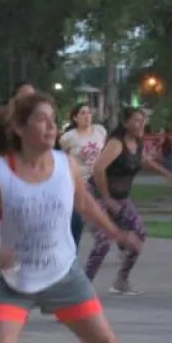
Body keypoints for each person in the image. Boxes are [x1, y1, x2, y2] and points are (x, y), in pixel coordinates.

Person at [0, 93, 141, 343]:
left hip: (63, 275)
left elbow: (84, 202)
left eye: (53, 120)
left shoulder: (66, 164)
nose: (51, 127)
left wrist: (115, 232)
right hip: (12, 281)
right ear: (19, 128)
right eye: (41, 120)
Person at [85, 107, 172, 295]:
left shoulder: (137, 142)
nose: (141, 124)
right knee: (103, 241)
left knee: (139, 233)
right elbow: (98, 169)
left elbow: (144, 160)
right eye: (137, 120)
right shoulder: (116, 143)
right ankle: (83, 288)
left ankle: (121, 280)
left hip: (121, 198)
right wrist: (106, 198)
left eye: (143, 120)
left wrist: (168, 174)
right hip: (98, 196)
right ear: (126, 123)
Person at [59, 103, 107, 246]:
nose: (87, 116)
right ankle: (71, 250)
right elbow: (63, 159)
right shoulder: (68, 137)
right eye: (83, 113)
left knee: (102, 218)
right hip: (79, 183)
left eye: (89, 113)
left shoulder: (100, 131)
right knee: (77, 221)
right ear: (75, 118)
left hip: (97, 181)